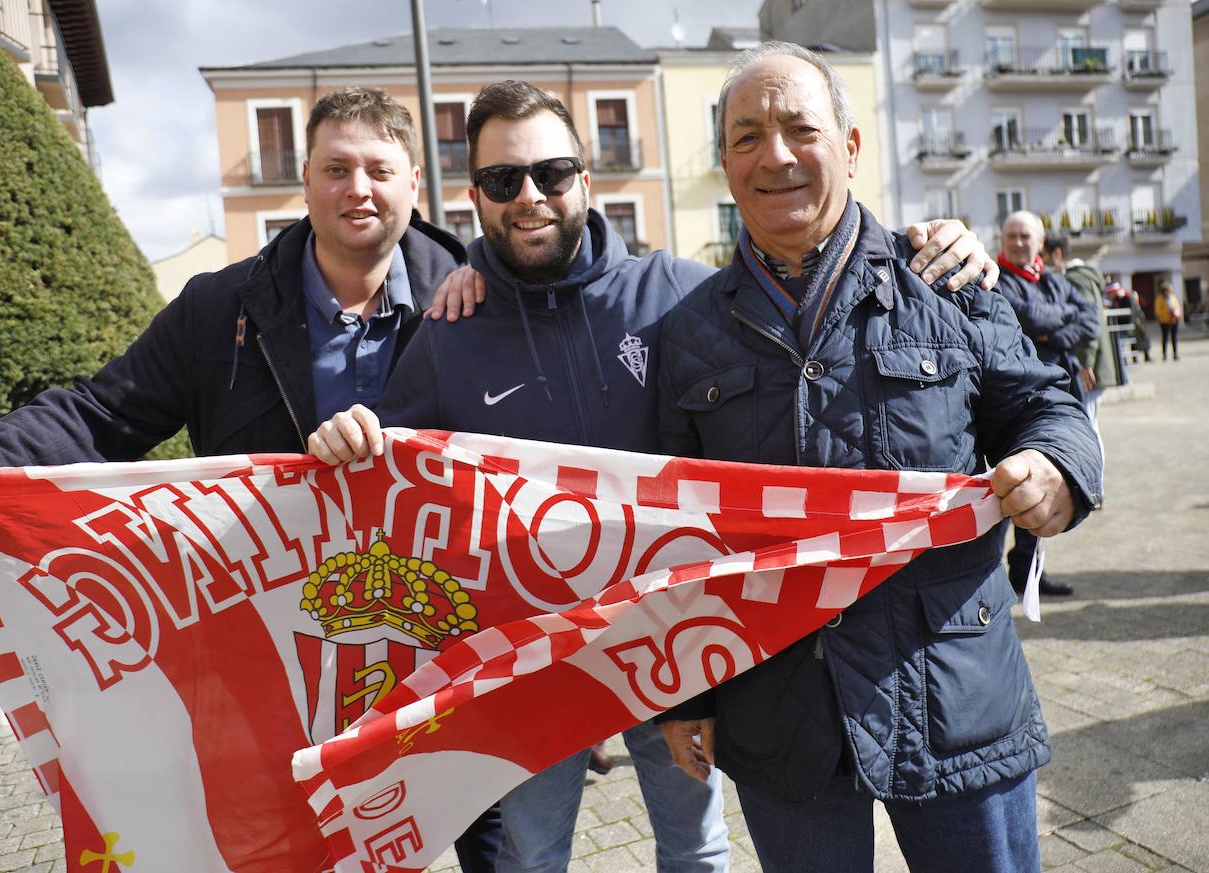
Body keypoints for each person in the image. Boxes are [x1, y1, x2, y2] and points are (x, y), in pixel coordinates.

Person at [307, 78, 999, 873]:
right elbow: (394, 474)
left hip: (673, 645)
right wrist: (352, 438)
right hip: (528, 662)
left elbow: (809, 329)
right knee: (531, 856)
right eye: (504, 181)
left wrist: (942, 246)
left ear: (585, 180)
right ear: (476, 198)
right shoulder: (449, 328)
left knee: (698, 851)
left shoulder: (677, 294)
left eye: (551, 174)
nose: (530, 196)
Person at [0, 86, 504, 873]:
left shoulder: (478, 295)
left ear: (414, 183)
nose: (359, 189)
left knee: (500, 837)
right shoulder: (221, 307)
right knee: (292, 845)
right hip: (285, 647)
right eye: (337, 168)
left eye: (380, 169)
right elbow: (104, 411)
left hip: (447, 627)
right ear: (306, 182)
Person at [653, 43, 1102, 873]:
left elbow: (1047, 403)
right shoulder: (686, 335)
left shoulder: (947, 279)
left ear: (851, 148)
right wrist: (684, 696)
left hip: (954, 695)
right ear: (723, 164)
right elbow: (674, 539)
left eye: (800, 128)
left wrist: (1057, 468)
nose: (776, 154)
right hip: (783, 717)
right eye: (747, 136)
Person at [995, 210, 1101, 598]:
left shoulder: (1053, 280)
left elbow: (1090, 317)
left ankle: (1027, 576)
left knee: (1040, 490)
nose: (1019, 242)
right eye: (1012, 236)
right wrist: (1058, 325)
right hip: (1013, 399)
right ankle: (998, 578)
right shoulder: (997, 282)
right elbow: (1025, 315)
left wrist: (1050, 333)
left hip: (1055, 397)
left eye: (1026, 236)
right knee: (1009, 491)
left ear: (1041, 242)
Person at [1043, 235, 1114, 456]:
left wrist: (1086, 362)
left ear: (1056, 255)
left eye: (1043, 256)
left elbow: (1086, 326)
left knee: (1088, 429)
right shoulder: (1084, 275)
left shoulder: (1074, 279)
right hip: (1091, 363)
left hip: (1087, 367)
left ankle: (1094, 488)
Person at [1154, 279, 1182, 361]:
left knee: (1174, 337)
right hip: (1164, 321)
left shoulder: (1172, 297)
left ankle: (1175, 353)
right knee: (1165, 337)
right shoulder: (1159, 298)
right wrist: (1167, 312)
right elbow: (1158, 311)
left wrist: (1176, 312)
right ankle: (1164, 354)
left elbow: (1177, 306)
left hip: (1174, 320)